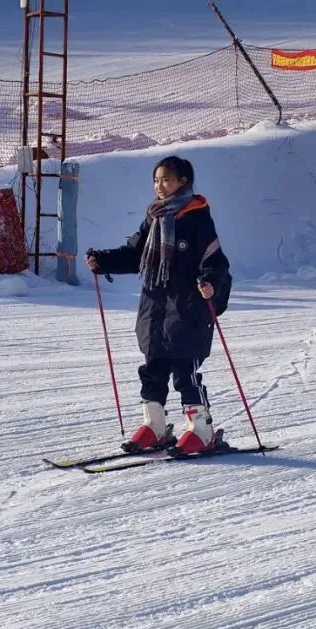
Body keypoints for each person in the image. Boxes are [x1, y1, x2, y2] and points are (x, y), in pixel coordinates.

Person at [86, 155, 232, 455]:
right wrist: (104, 260)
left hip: (187, 307)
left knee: (184, 371)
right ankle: (154, 426)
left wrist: (210, 284)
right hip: (155, 306)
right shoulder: (155, 216)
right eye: (156, 180)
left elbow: (214, 261)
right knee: (152, 367)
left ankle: (201, 430)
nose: (159, 185)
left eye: (166, 179)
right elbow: (135, 253)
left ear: (183, 182)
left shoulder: (197, 218)